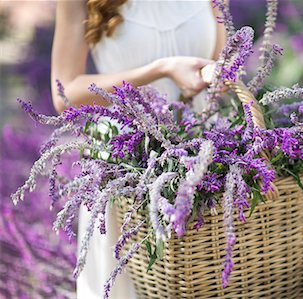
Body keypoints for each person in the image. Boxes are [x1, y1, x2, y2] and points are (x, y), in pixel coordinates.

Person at [50, 0, 226, 298]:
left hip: (208, 165)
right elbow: (65, 91)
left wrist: (217, 75)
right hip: (127, 174)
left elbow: (222, 54)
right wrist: (161, 70)